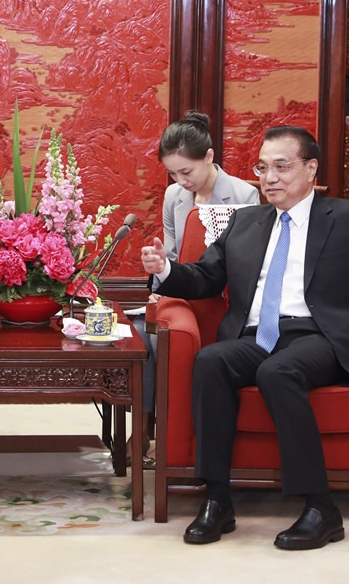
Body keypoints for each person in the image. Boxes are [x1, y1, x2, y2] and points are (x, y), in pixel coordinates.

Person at [140, 125, 349, 550]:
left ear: (310, 169)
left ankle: (321, 508)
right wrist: (164, 269)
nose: (269, 178)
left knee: (278, 371)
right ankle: (217, 500)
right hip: (258, 335)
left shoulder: (348, 218)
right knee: (211, 361)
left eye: (281, 167)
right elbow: (205, 277)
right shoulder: (245, 221)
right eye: (262, 168)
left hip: (318, 336)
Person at [131, 112, 259, 464]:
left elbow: (246, 264)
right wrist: (159, 282)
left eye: (186, 172)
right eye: (172, 173)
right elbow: (172, 254)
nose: (180, 181)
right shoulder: (174, 196)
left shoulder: (244, 194)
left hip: (224, 297)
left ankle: (171, 430)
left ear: (209, 156)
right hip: (182, 293)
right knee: (143, 334)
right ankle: (144, 428)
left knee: (162, 338)